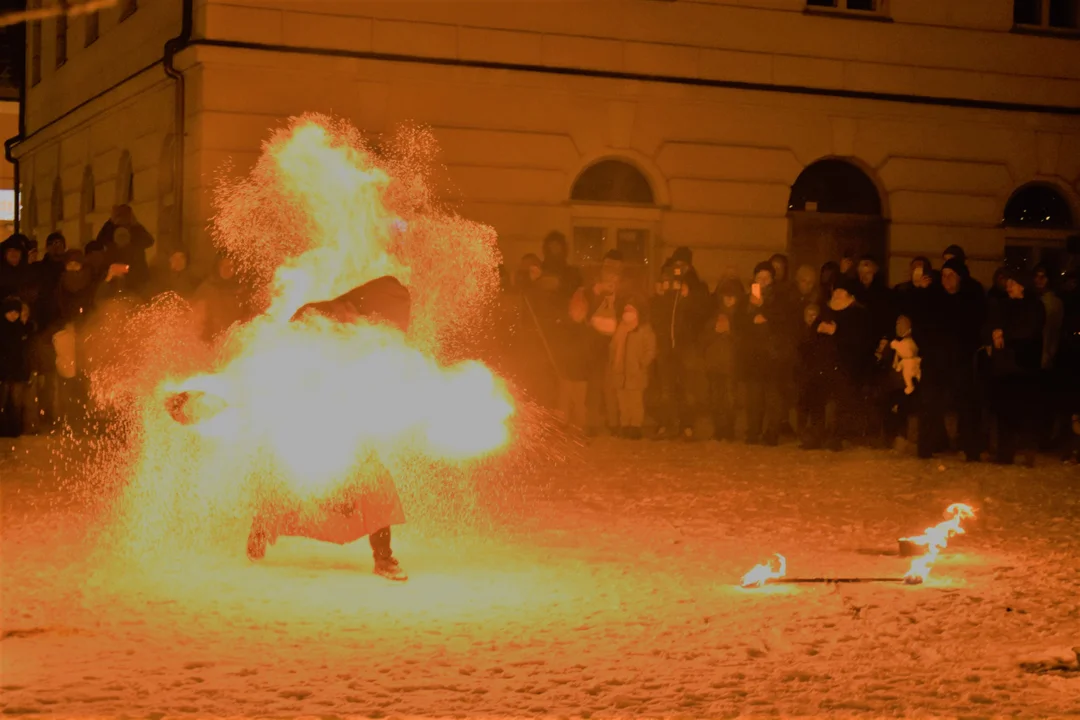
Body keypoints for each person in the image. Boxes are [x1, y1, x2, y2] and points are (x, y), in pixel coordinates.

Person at [241, 276, 412, 580]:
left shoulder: (364, 338)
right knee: (285, 478)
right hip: (307, 419)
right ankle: (261, 530)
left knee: (374, 480)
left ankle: (383, 557)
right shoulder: (310, 326)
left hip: (350, 421)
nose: (351, 318)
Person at [917, 258, 986, 461]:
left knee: (966, 404)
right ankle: (926, 448)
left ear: (960, 278)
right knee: (929, 404)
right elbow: (922, 324)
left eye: (951, 275)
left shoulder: (969, 301)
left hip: (959, 361)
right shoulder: (933, 298)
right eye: (944, 275)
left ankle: (971, 449)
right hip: (935, 360)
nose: (946, 280)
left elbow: (975, 328)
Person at [984, 269, 1045, 466]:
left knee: (1023, 411)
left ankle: (1027, 451)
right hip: (1004, 367)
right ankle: (1005, 452)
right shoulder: (1003, 305)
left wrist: (1005, 334)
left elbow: (1028, 331)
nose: (1009, 285)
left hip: (1024, 367)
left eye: (1013, 282)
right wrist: (994, 334)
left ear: (1023, 285)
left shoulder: (1034, 306)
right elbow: (992, 325)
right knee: (1004, 410)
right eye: (1008, 282)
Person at [652, 247, 710, 440]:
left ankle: (687, 426)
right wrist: (659, 294)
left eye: (683, 265)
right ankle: (665, 424)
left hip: (687, 345)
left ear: (690, 266)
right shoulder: (665, 282)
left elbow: (703, 314)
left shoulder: (698, 286)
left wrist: (689, 296)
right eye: (676, 265)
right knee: (665, 388)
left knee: (688, 389)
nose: (679, 269)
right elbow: (654, 314)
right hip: (666, 343)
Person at [740, 261, 791, 446]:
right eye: (758, 278)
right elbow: (740, 324)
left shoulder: (780, 299)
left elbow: (783, 321)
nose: (762, 281)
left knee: (772, 396)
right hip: (753, 355)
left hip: (772, 354)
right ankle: (753, 431)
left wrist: (764, 310)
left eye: (766, 278)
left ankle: (771, 433)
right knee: (754, 397)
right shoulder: (746, 300)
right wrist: (752, 311)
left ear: (772, 280)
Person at [608, 297, 656, 439]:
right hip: (620, 372)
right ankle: (625, 425)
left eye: (631, 310)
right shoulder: (620, 328)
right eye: (626, 310)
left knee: (635, 401)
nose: (627, 313)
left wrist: (641, 363)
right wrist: (613, 362)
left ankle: (635, 427)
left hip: (635, 373)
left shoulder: (643, 330)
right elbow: (613, 347)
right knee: (623, 401)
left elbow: (651, 350)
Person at [703, 279, 741, 441]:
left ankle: (729, 429)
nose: (729, 299)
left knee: (730, 399)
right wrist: (715, 331)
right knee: (716, 399)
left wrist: (729, 332)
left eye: (732, 296)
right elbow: (703, 339)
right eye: (726, 296)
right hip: (714, 365)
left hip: (731, 366)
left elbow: (743, 341)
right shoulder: (714, 316)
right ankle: (719, 429)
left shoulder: (740, 317)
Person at [552, 291, 591, 434]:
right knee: (563, 401)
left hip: (581, 374)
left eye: (581, 310)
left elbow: (589, 352)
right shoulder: (564, 327)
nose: (578, 313)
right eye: (575, 310)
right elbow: (559, 346)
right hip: (566, 372)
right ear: (571, 311)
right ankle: (561, 426)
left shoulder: (587, 329)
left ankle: (579, 427)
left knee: (580, 403)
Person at [96, 205, 155, 292]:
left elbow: (149, 241)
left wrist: (135, 225)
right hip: (116, 278)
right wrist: (110, 223)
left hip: (136, 277)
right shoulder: (110, 230)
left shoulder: (135, 230)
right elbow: (99, 242)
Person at [0, 296, 30, 437]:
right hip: (3, 373)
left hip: (18, 372)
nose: (13, 315)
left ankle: (14, 430)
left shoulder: (22, 329)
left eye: (16, 312)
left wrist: (27, 371)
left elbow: (26, 353)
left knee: (17, 403)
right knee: (3, 402)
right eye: (10, 312)